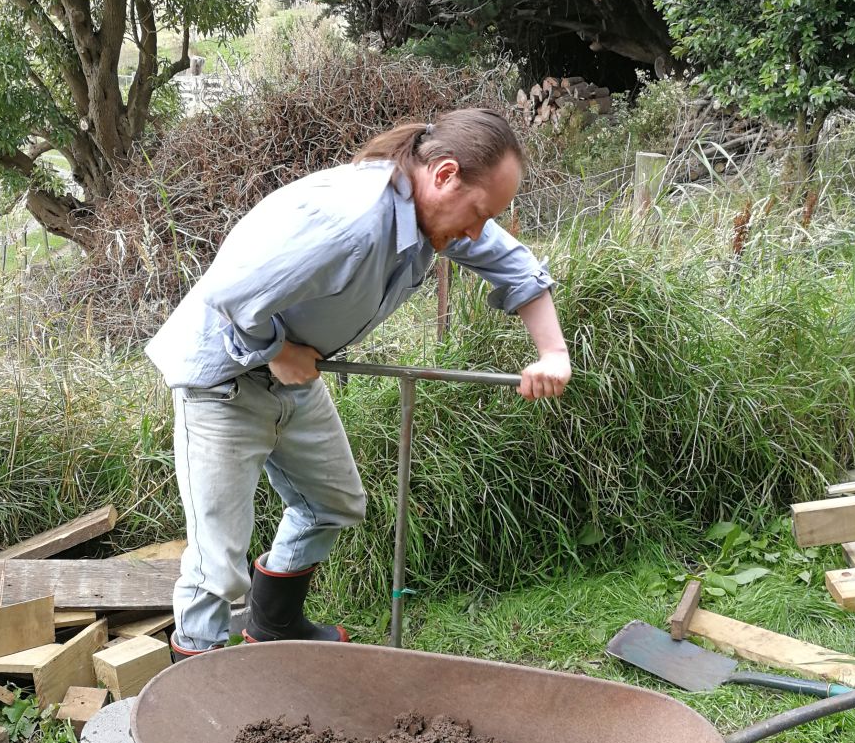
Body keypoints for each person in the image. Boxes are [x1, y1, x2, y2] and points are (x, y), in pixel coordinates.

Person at [145, 107, 571, 658]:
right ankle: (192, 691)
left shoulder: (425, 214)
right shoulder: (350, 224)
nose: (474, 231)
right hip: (223, 380)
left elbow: (511, 263)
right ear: (443, 175)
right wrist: (278, 350)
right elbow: (229, 295)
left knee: (334, 502)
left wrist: (553, 353)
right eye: (478, 213)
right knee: (217, 566)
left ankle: (273, 623)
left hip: (293, 377)